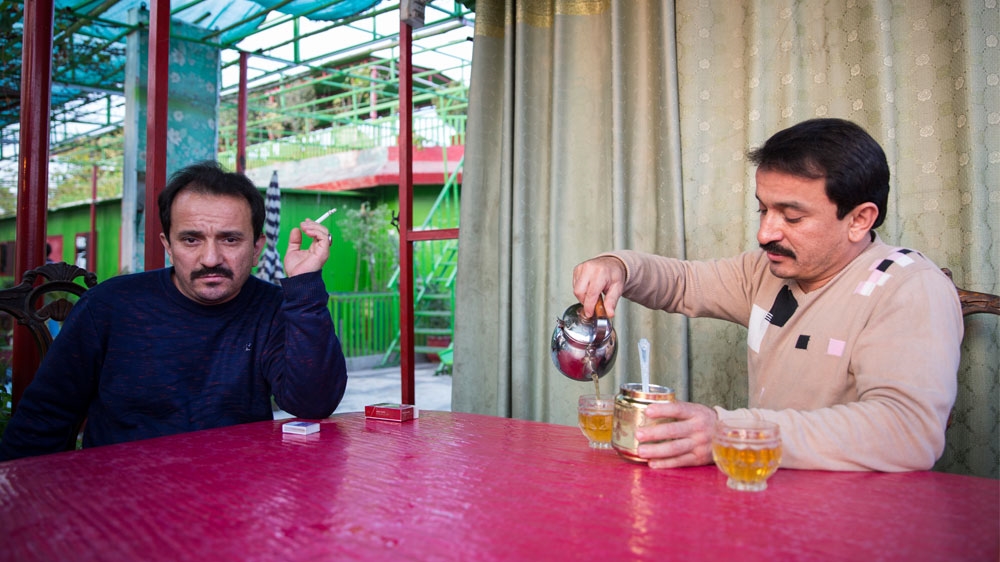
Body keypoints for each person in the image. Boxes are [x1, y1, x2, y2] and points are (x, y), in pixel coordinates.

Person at [572, 118, 963, 472]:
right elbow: (684, 283)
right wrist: (619, 266)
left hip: (856, 518)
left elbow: (907, 430)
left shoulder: (910, 288)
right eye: (763, 211)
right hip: (758, 490)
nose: (766, 234)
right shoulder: (768, 271)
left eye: (792, 217)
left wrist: (730, 431)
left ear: (859, 219)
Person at [0, 161, 348, 460]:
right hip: (121, 502)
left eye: (230, 239)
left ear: (257, 247)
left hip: (237, 496)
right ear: (167, 245)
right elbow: (43, 421)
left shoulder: (271, 307)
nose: (211, 259)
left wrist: (304, 287)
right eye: (191, 239)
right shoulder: (109, 306)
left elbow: (313, 403)